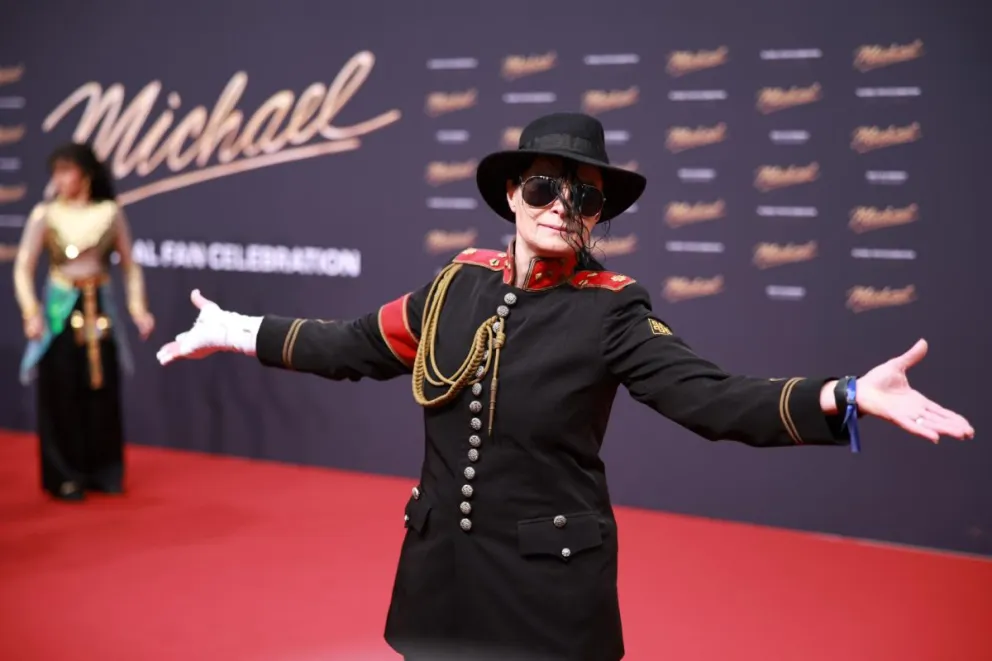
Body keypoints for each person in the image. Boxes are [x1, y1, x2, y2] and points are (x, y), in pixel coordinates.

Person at [156, 113, 974, 660]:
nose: (560, 205)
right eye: (544, 186)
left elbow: (715, 398)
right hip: (442, 575)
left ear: (597, 215)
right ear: (512, 193)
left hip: (547, 592)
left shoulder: (613, 311)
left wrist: (848, 394)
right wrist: (233, 329)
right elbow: (351, 345)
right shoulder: (454, 286)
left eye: (583, 196)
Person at [13, 142, 155, 502]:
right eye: (56, 172)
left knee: (102, 388)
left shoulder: (109, 213)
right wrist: (31, 312)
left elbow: (130, 266)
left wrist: (139, 309)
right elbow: (23, 268)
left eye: (67, 171)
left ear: (85, 173)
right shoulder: (45, 215)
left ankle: (104, 470)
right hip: (60, 312)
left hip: (99, 311)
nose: (60, 179)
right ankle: (64, 475)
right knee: (60, 392)